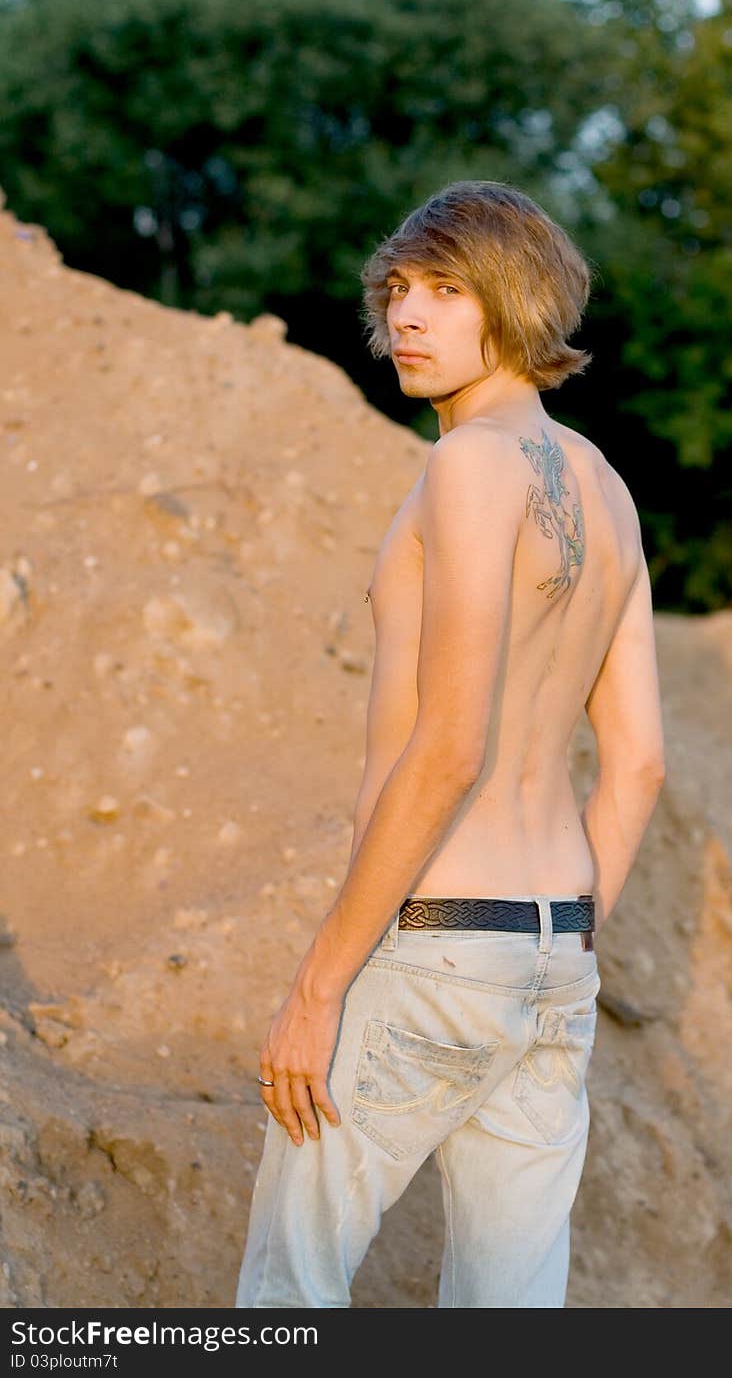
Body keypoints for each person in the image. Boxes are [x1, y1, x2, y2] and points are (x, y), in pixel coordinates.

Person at [235, 180, 665, 1308]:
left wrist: (319, 986)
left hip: (432, 943)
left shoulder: (467, 467)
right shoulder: (609, 492)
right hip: (555, 954)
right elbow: (638, 767)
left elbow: (449, 744)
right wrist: (544, 955)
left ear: (512, 302)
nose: (407, 317)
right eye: (398, 289)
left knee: (290, 1292)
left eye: (444, 290)